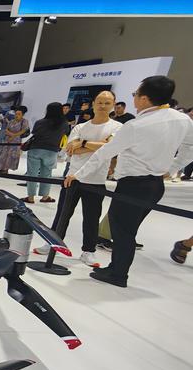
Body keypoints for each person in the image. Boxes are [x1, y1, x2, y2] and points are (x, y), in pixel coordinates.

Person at [65, 75, 193, 288]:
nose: (134, 98)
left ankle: (118, 274)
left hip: (133, 186)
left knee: (122, 231)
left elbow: (105, 153)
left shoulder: (136, 125)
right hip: (155, 186)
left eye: (135, 94)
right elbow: (190, 147)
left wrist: (78, 174)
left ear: (144, 99)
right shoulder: (183, 120)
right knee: (127, 229)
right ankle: (116, 268)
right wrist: (172, 168)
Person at [36, 91, 121, 267]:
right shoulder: (80, 127)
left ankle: (88, 251)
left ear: (113, 105)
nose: (102, 106)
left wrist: (83, 144)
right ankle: (52, 243)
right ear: (93, 103)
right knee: (62, 213)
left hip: (96, 180)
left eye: (107, 102)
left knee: (91, 217)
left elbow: (109, 149)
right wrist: (94, 145)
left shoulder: (117, 127)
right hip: (72, 177)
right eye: (99, 102)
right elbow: (70, 148)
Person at [21, 102, 69, 204]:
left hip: (35, 149)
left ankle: (30, 197)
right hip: (51, 151)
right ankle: (45, 196)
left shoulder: (39, 122)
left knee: (32, 174)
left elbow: (34, 134)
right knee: (47, 174)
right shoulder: (64, 124)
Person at [0, 106, 29, 174]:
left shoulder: (24, 121)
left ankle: (6, 169)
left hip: (16, 141)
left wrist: (13, 136)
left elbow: (23, 130)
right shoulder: (12, 121)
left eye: (19, 114)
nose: (17, 115)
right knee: (3, 154)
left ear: (22, 115)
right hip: (7, 140)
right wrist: (10, 134)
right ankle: (2, 168)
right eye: (16, 114)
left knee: (10, 155)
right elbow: (6, 129)